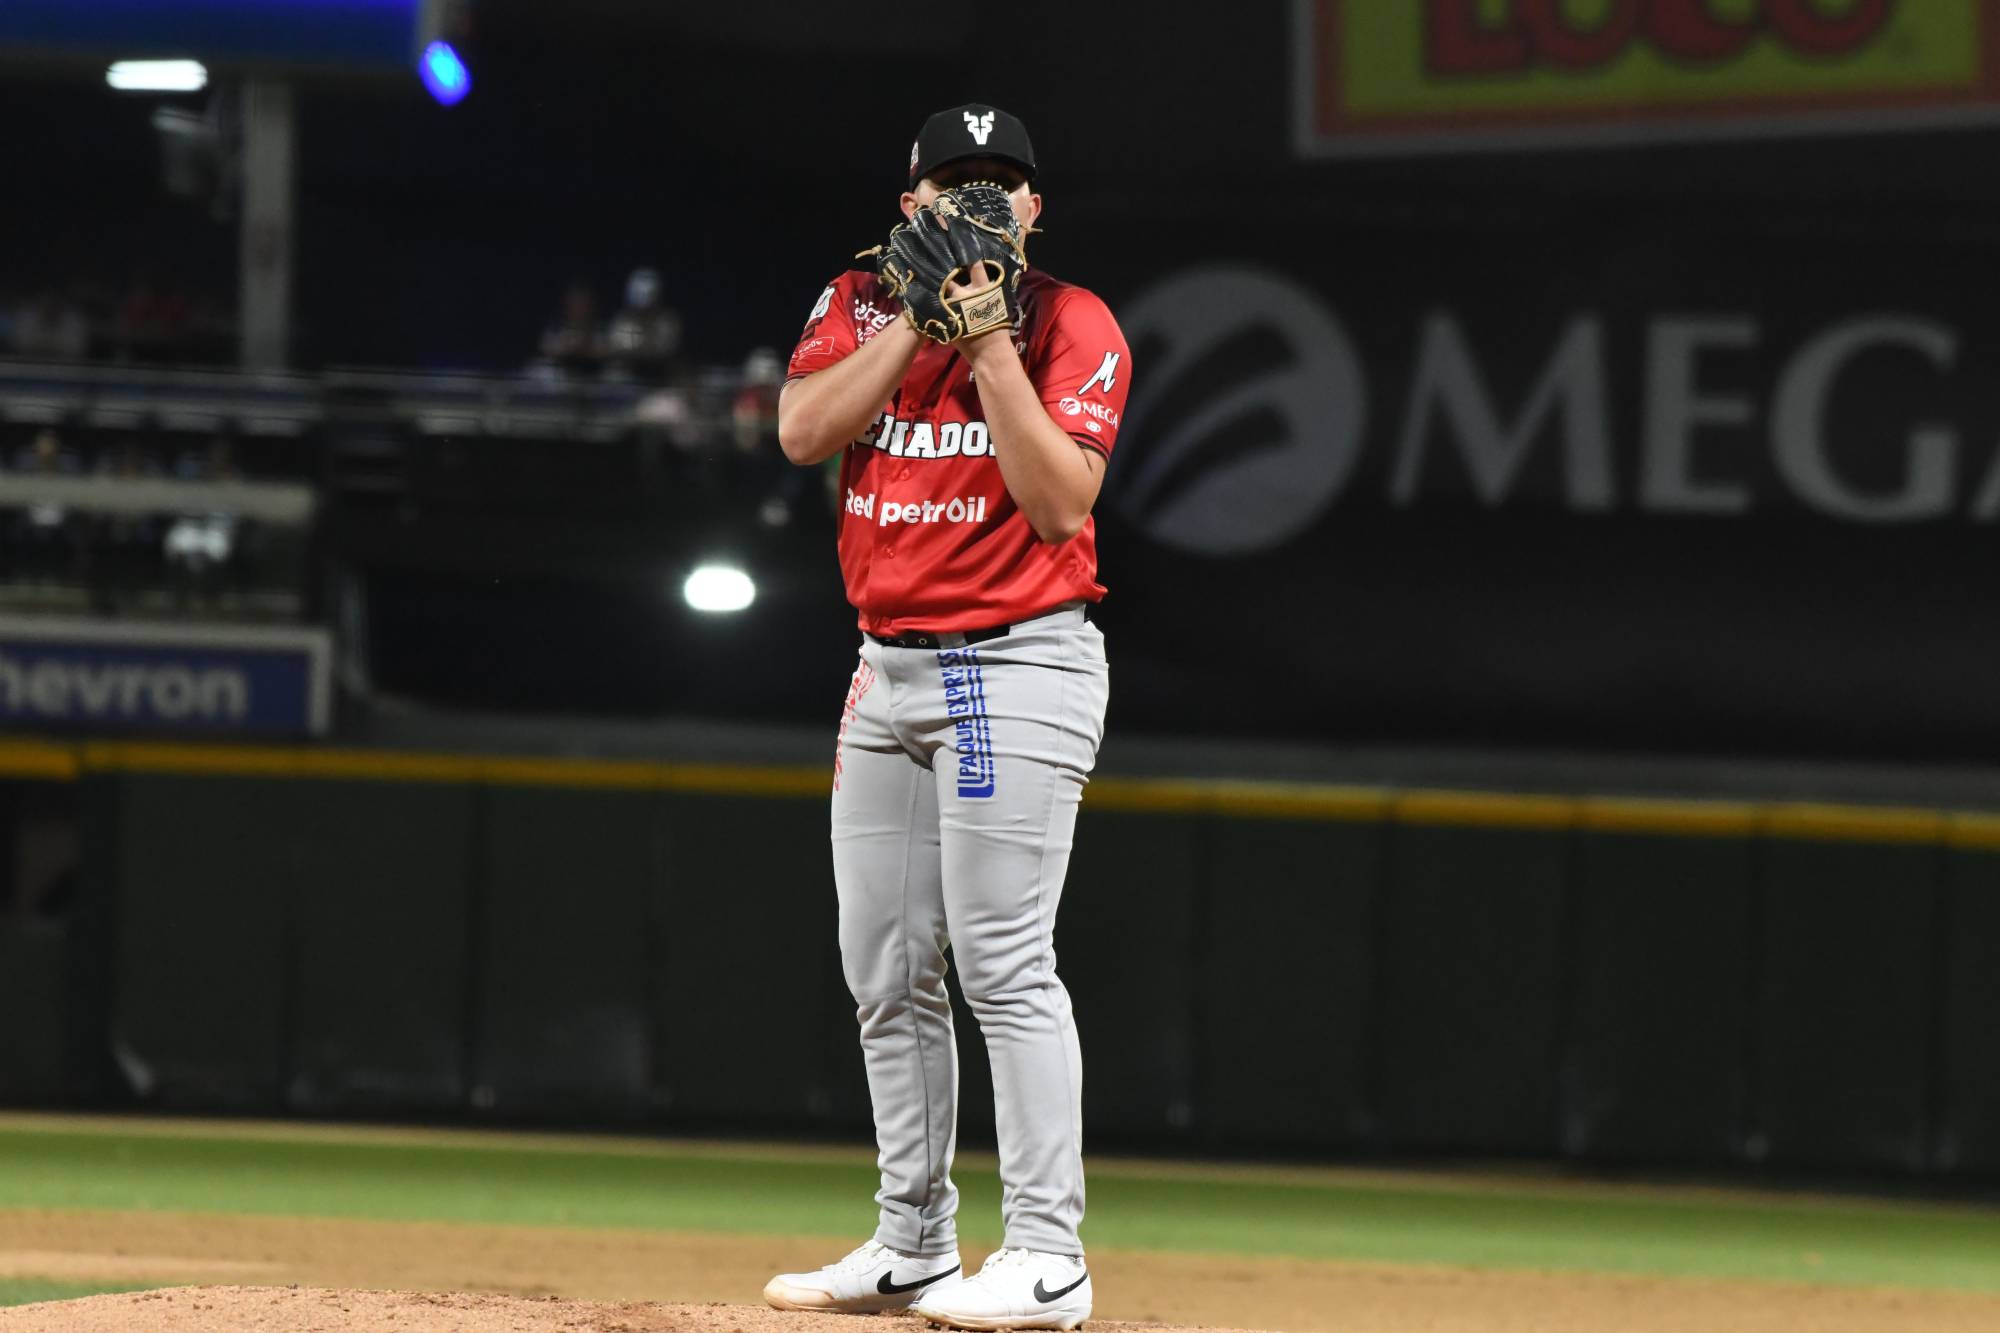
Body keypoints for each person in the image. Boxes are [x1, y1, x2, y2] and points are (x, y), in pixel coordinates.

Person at [762, 104, 1131, 1332]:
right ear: (908, 200)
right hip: (886, 669)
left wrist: (984, 350)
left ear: (1036, 210)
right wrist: (914, 328)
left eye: (1002, 183)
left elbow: (1057, 504)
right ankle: (913, 1243)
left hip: (1012, 665)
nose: (979, 201)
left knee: (1003, 963)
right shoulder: (859, 301)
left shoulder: (1072, 322)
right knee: (881, 967)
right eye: (954, 182)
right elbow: (802, 432)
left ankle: (1047, 1256)